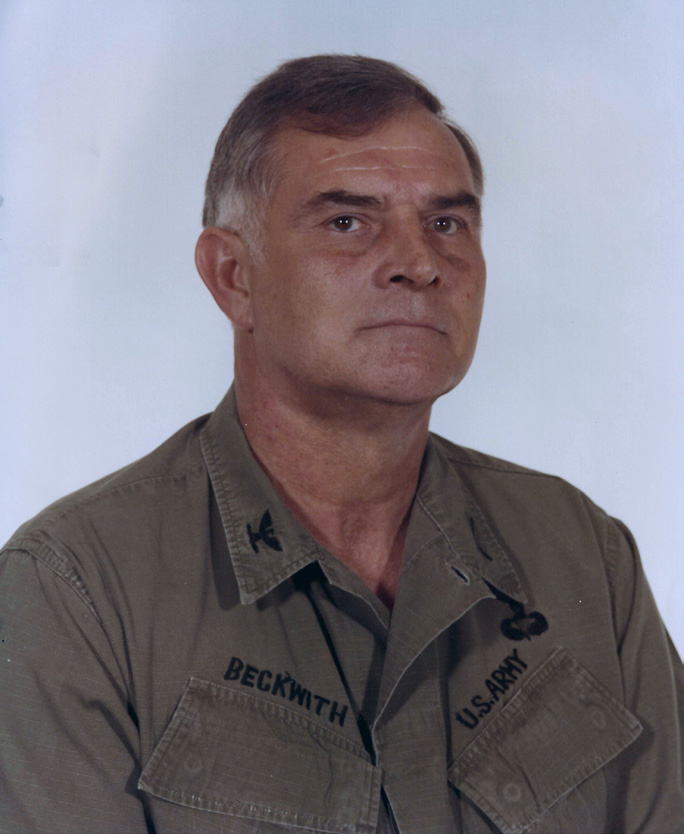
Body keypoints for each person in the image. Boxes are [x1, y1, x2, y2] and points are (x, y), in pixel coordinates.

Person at [0, 54, 681, 834]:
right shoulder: (75, 596)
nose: (419, 264)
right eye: (348, 223)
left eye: (446, 224)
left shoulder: (581, 553)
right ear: (233, 276)